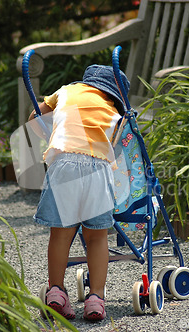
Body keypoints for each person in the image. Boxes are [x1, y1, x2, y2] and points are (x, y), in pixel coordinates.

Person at [28, 64, 130, 321]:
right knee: (96, 238)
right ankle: (95, 298)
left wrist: (51, 135)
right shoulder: (115, 110)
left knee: (60, 235)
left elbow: (33, 118)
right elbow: (117, 144)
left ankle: (56, 292)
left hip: (64, 164)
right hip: (98, 168)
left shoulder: (66, 91)